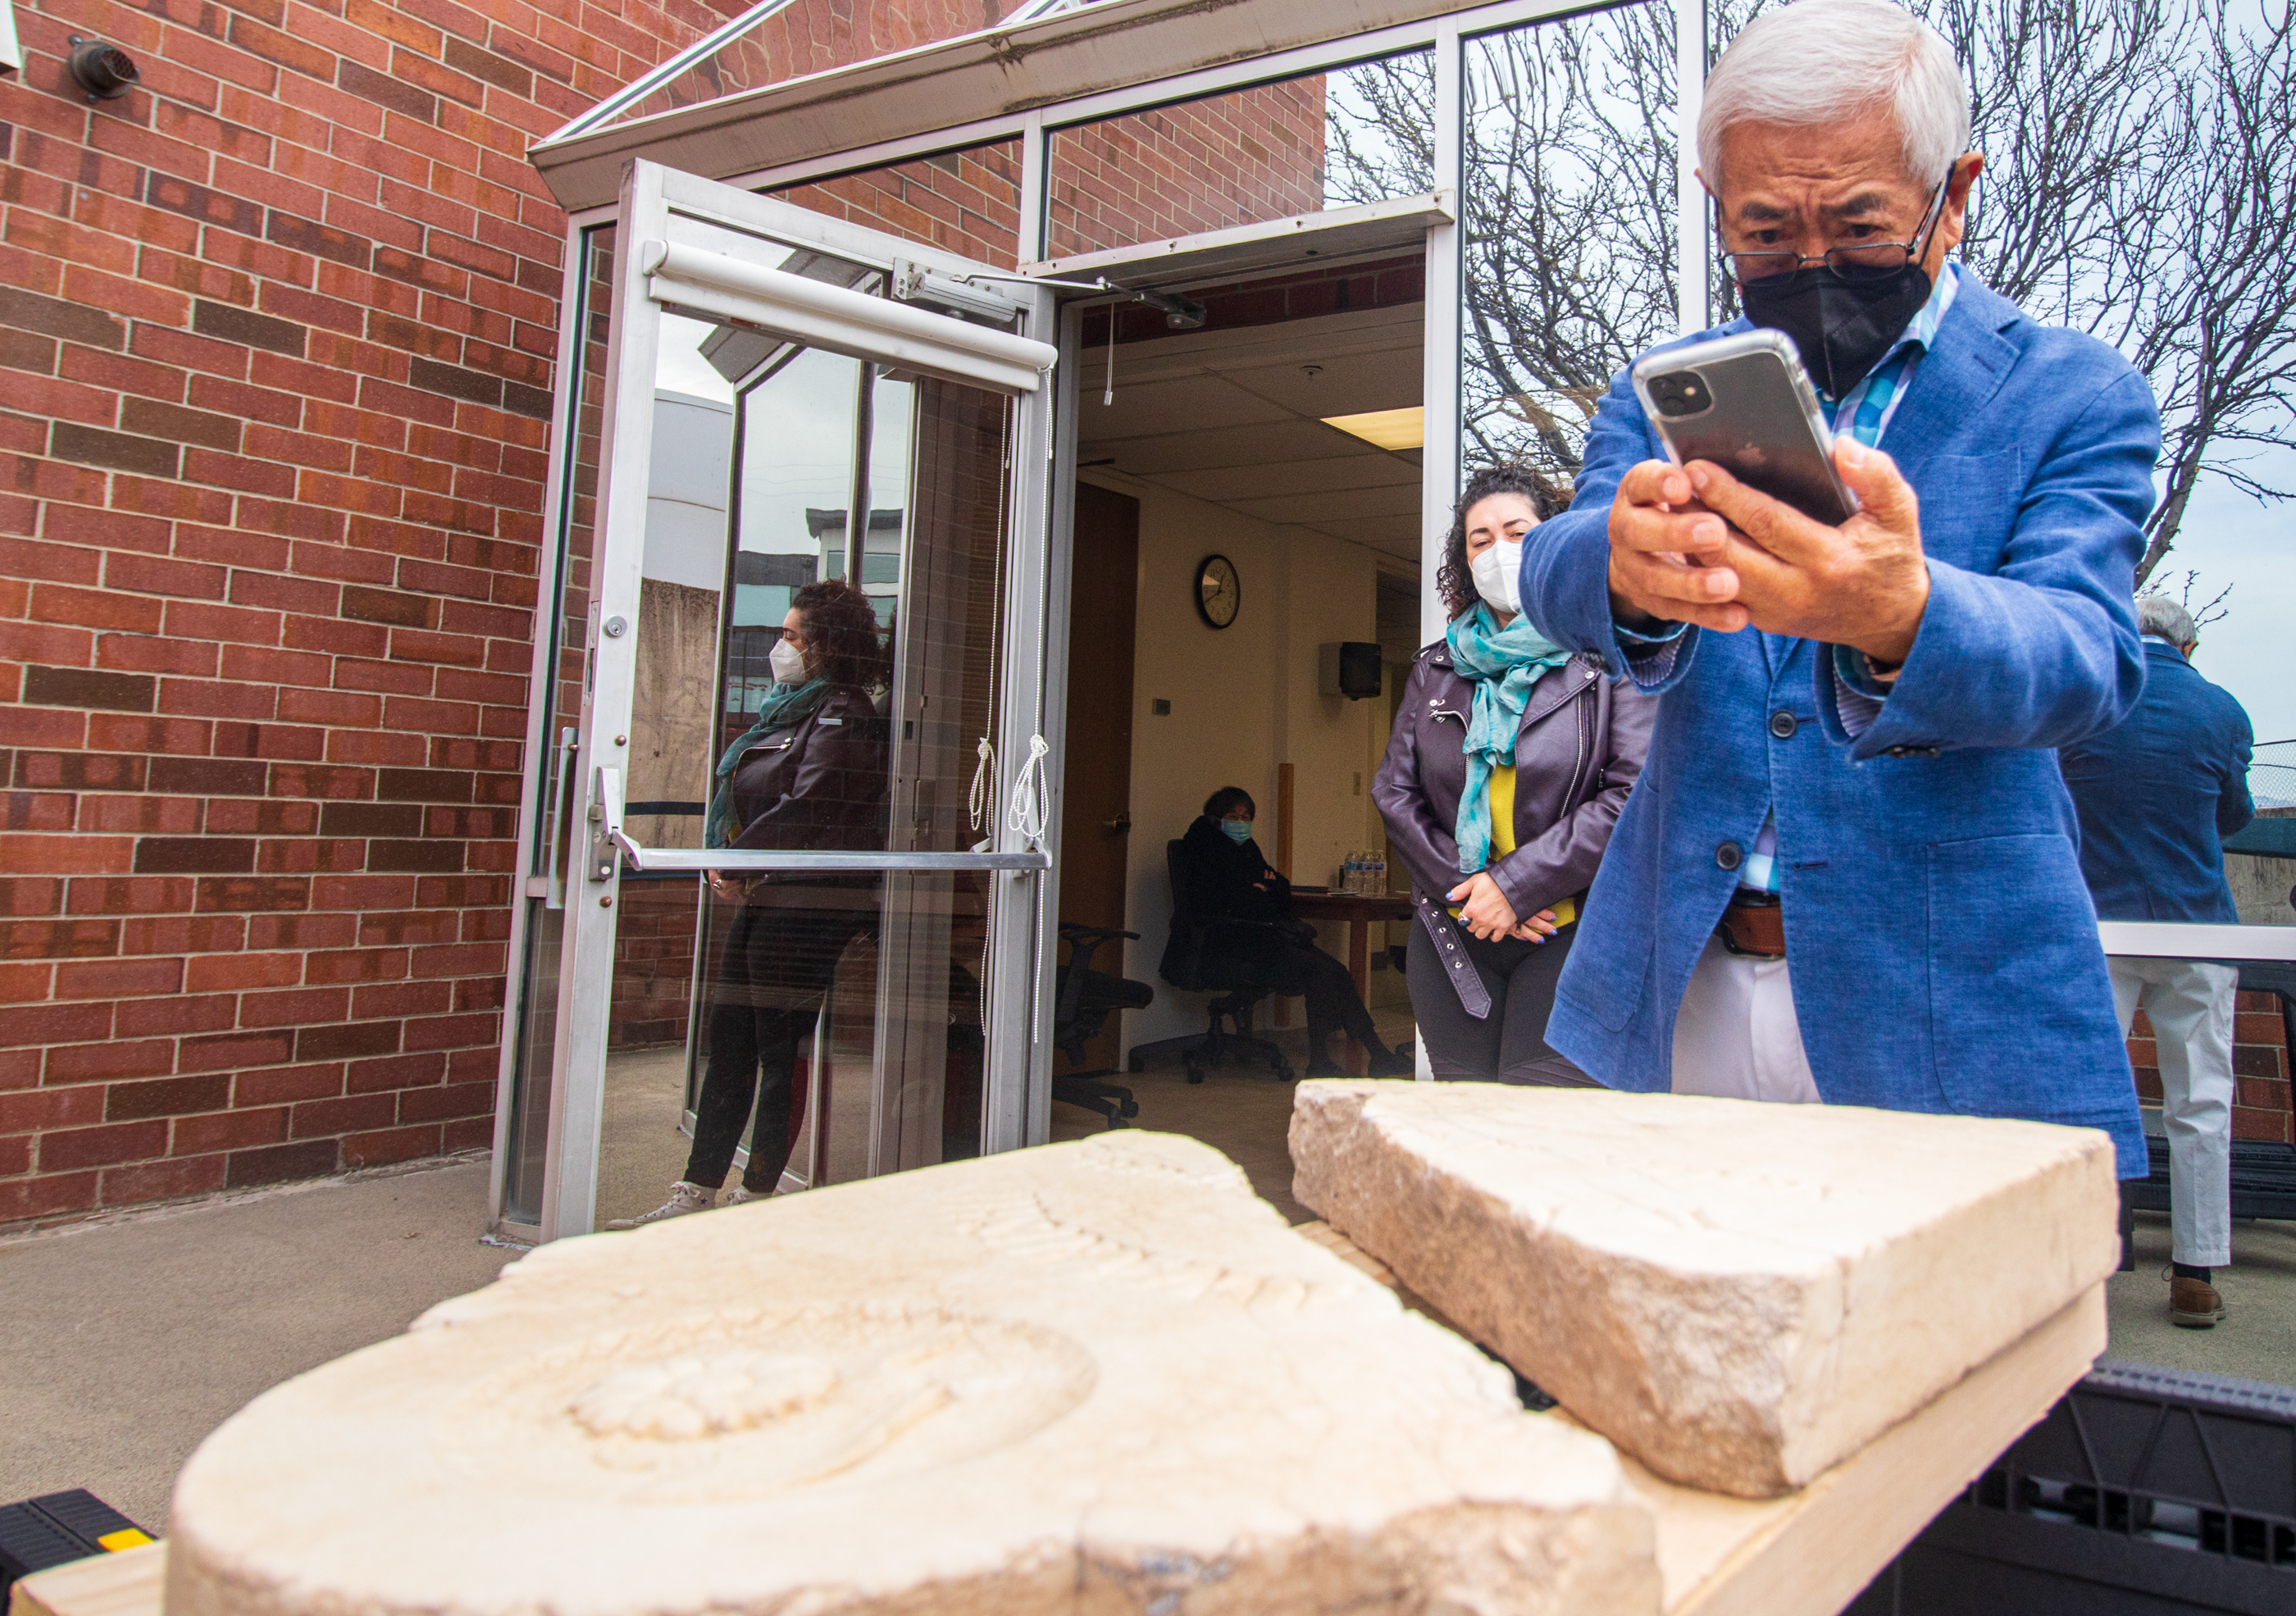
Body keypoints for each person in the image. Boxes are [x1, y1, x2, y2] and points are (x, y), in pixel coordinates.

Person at [1515, 0, 2153, 1177]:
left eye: (1858, 226)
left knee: (1936, 1350)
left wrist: (1908, 617)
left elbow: (2089, 655)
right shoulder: (1672, 387)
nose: (1810, 266)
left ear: (1952, 197)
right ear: (1717, 208)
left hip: (1946, 1001)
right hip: (1678, 977)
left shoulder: (2073, 392)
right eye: (1765, 233)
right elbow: (1550, 567)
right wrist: (1619, 562)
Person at [612, 579, 889, 1229]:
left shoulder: (845, 714)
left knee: (777, 1047)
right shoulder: (790, 710)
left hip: (809, 903)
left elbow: (810, 805)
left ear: (824, 646)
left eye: (792, 636)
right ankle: (698, 1186)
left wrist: (735, 861)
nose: (780, 646)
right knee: (730, 1038)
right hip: (769, 894)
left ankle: (756, 1196)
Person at [1374, 463, 1656, 1083]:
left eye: (1518, 532)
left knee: (1539, 1134)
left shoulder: (1607, 658)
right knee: (1465, 1139)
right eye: (1480, 540)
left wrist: (1517, 887)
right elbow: (1395, 792)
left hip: (1570, 932)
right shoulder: (1437, 667)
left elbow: (1630, 794)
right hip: (1454, 933)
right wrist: (1473, 890)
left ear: (1555, 542)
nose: (1499, 551)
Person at [2059, 594, 2256, 1328]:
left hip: (2100, 925)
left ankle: (2083, 1265)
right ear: (2190, 644)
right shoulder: (2221, 709)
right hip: (2198, 926)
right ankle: (2197, 1273)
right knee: (2201, 1099)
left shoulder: (2090, 701)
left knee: (2089, 1099)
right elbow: (2231, 813)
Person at [1174, 787, 1410, 1077]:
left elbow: (1280, 888)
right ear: (1215, 819)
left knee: (1336, 971)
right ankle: (1321, 1061)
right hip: (1225, 945)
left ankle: (1377, 1054)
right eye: (1232, 816)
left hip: (1260, 938)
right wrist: (1260, 891)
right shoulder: (1203, 850)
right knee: (1321, 974)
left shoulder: (1245, 849)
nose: (1240, 822)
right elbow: (1231, 902)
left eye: (1246, 817)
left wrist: (1263, 889)